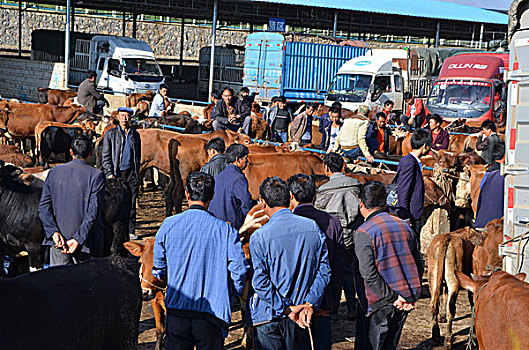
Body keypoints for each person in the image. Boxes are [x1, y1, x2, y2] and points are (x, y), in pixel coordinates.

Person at [152, 172, 249, 349]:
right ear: (212, 196)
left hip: (177, 310)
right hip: (211, 315)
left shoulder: (168, 224)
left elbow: (158, 267)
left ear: (187, 194)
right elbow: (240, 270)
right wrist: (232, 291)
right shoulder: (225, 231)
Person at [249, 176, 330, 349]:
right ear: (289, 197)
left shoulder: (260, 236)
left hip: (270, 315)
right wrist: (309, 303)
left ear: (263, 202)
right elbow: (324, 270)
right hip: (302, 313)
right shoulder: (313, 227)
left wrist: (286, 309)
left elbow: (260, 282)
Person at [353, 181, 423, 350]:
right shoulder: (404, 226)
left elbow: (368, 274)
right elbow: (418, 263)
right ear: (385, 203)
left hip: (380, 302)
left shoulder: (364, 232)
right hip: (404, 299)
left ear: (361, 203)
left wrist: (392, 297)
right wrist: (407, 296)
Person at [288, 174, 345, 350]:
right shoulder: (333, 221)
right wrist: (334, 296)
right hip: (324, 297)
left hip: (292, 302)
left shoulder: (286, 223)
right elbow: (338, 263)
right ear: (314, 195)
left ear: (291, 195)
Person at [38, 134, 105, 266]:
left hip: (59, 242)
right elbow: (93, 212)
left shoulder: (54, 172)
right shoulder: (96, 176)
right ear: (91, 153)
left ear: (71, 152)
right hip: (86, 244)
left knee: (59, 284)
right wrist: (78, 239)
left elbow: (43, 207)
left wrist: (53, 232)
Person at [315, 152, 362, 320]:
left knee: (332, 272)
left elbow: (318, 211)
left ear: (326, 168)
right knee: (349, 273)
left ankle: (332, 310)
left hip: (332, 237)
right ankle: (352, 308)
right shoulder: (355, 184)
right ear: (343, 166)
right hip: (352, 235)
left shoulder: (324, 189)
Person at [102, 106, 141, 240]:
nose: (125, 118)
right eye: (122, 115)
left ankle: (130, 230)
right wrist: (109, 173)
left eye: (127, 116)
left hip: (131, 173)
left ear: (130, 118)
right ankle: (113, 230)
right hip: (116, 173)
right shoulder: (111, 134)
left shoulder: (135, 135)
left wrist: (137, 173)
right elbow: (106, 155)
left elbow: (138, 155)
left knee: (131, 203)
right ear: (117, 117)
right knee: (115, 203)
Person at [395, 129, 431, 239]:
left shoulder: (408, 160)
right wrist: (405, 217)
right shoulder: (410, 163)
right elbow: (403, 191)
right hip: (409, 213)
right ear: (424, 146)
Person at [208, 143, 253, 230]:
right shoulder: (239, 178)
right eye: (245, 158)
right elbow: (246, 204)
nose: (247, 162)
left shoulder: (218, 176)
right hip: (230, 225)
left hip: (214, 222)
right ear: (238, 160)